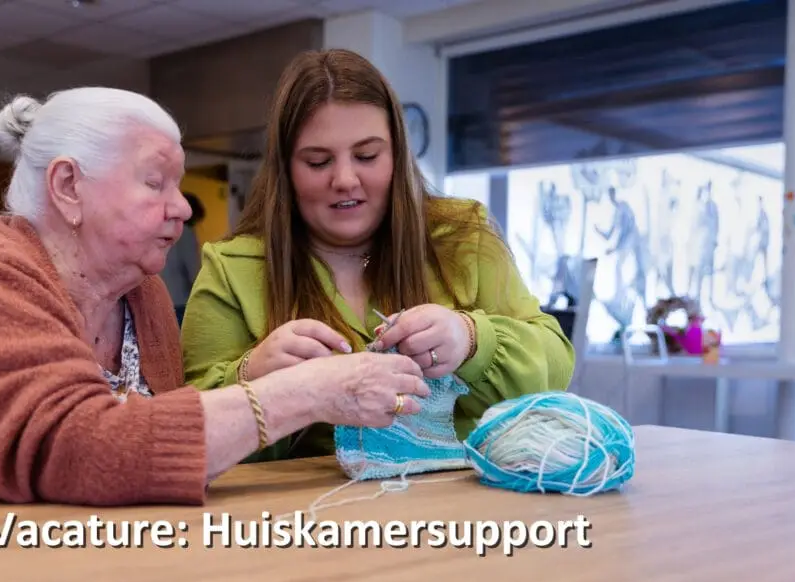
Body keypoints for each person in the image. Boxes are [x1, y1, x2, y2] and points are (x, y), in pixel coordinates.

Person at [0, 87, 433, 508]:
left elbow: (149, 452)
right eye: (156, 182)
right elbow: (80, 450)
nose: (182, 208)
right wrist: (308, 393)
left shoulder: (141, 292)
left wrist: (251, 379)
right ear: (68, 186)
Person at [180, 49, 575, 463]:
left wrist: (472, 339)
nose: (345, 179)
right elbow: (188, 436)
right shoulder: (233, 270)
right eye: (318, 162)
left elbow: (555, 367)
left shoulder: (461, 237)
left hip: (462, 499)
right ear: (286, 170)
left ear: (398, 155)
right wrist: (253, 376)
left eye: (367, 156)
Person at [160, 191, 203, 324]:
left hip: (160, 300)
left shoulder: (162, 229)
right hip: (180, 302)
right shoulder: (186, 234)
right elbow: (194, 272)